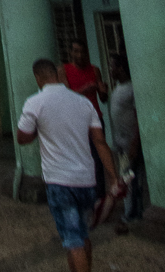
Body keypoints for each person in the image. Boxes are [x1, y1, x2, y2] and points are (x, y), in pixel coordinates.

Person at [17, 58, 119, 272]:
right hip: (86, 180)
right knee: (82, 236)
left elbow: (22, 137)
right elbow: (100, 142)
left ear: (38, 77)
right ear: (57, 75)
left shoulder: (35, 102)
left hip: (59, 181)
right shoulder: (83, 102)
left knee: (73, 241)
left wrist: (39, 130)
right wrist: (112, 177)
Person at [60, 39, 109, 195]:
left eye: (82, 51)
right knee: (78, 157)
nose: (79, 55)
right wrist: (85, 89)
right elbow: (64, 96)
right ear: (71, 53)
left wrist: (103, 91)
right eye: (76, 51)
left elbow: (103, 99)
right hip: (75, 120)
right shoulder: (63, 70)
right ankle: (81, 192)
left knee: (98, 158)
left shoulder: (95, 70)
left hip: (94, 119)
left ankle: (99, 195)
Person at [109, 54, 143, 233]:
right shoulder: (118, 88)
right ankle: (131, 212)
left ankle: (133, 214)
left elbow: (139, 117)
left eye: (113, 66)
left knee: (130, 178)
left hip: (130, 143)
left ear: (121, 68)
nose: (111, 69)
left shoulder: (131, 89)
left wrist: (134, 143)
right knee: (126, 177)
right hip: (121, 143)